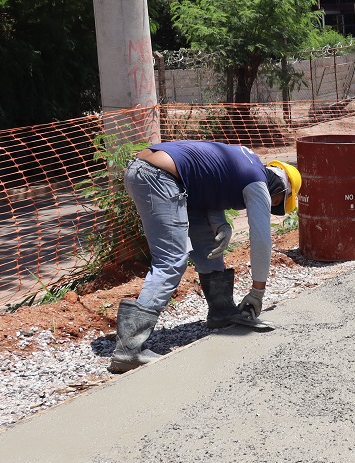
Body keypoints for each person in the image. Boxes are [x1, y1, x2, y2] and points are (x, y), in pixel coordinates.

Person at [111, 142, 302, 373]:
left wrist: (220, 223)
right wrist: (257, 292)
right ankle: (129, 348)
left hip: (166, 176)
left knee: (209, 246)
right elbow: (261, 239)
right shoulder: (258, 182)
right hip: (158, 177)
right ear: (280, 190)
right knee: (171, 259)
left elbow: (210, 182)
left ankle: (221, 311)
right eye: (278, 203)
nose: (273, 207)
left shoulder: (247, 163)